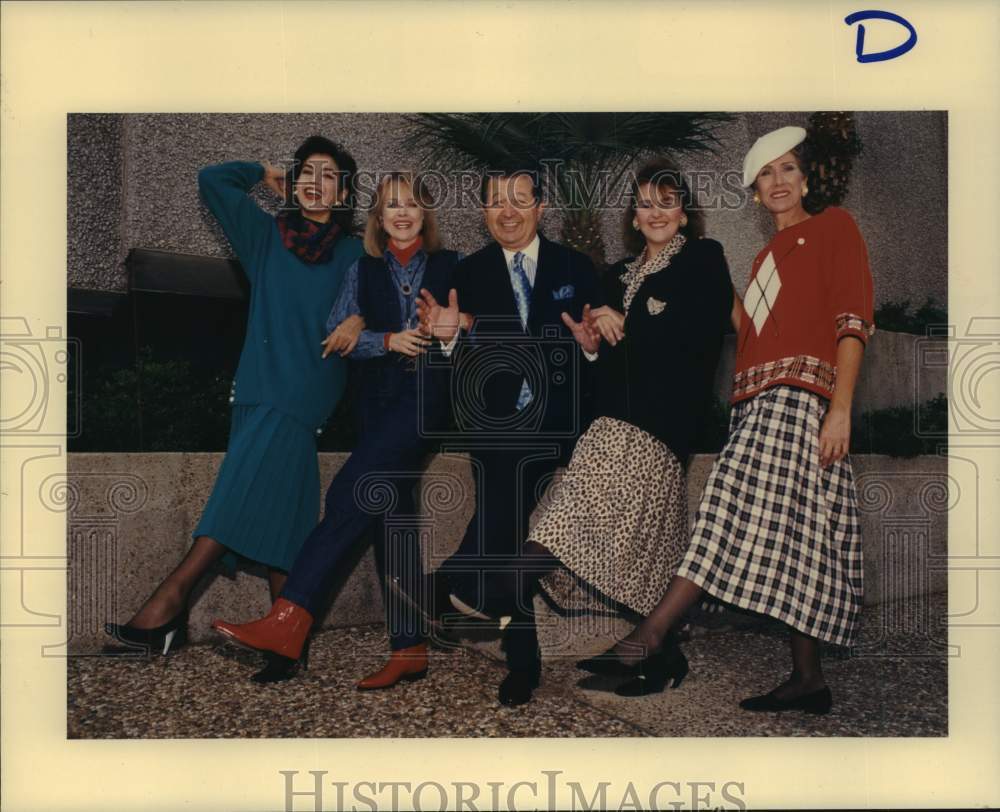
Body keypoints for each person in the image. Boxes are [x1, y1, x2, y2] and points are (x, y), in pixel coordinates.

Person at [588, 125, 874, 712]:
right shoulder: (764, 256)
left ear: (806, 178)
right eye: (765, 173)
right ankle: (809, 678)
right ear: (752, 189)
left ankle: (649, 637)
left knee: (721, 514)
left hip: (800, 402)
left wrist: (839, 409)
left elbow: (852, 319)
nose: (777, 182)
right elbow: (749, 334)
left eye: (788, 169)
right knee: (805, 537)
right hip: (755, 404)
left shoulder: (834, 227)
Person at [105, 136, 364, 677]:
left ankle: (168, 602)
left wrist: (360, 319)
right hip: (256, 386)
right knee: (286, 510)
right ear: (294, 184)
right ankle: (287, 636)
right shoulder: (267, 236)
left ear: (343, 191)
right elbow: (212, 180)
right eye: (307, 173)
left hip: (307, 386)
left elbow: (387, 303)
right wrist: (263, 170)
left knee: (241, 492)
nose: (318, 183)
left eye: (330, 175)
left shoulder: (355, 253)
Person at [212, 171, 461, 689]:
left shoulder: (452, 265)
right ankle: (409, 647)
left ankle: (289, 618)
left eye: (411, 204)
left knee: (350, 492)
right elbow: (339, 334)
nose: (401, 212)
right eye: (390, 204)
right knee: (392, 519)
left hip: (424, 404)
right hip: (375, 407)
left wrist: (451, 330)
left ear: (425, 214)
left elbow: (472, 326)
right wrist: (380, 338)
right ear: (378, 216)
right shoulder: (362, 268)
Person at [507, 159, 733, 693]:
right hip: (609, 428)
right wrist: (590, 350)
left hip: (660, 429)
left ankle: (500, 583)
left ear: (684, 215)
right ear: (633, 216)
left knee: (562, 524)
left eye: (667, 202)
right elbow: (612, 365)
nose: (655, 212)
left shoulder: (704, 258)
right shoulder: (614, 277)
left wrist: (627, 327)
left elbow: (695, 337)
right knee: (636, 548)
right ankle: (660, 654)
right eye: (645, 203)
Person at [416, 167, 603, 706]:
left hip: (564, 425)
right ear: (483, 212)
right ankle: (523, 663)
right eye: (496, 201)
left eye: (519, 200)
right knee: (503, 509)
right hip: (497, 428)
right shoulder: (467, 272)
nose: (508, 211)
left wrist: (590, 348)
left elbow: (598, 348)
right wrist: (448, 340)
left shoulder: (574, 266)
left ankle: (450, 582)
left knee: (501, 508)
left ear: (540, 207)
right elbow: (454, 360)